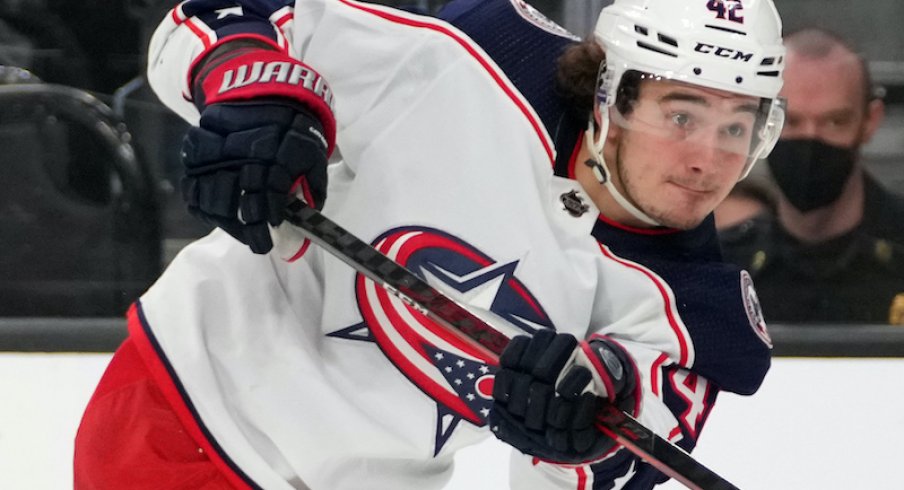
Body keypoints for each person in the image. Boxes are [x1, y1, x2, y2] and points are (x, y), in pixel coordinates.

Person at [74, 0, 783, 488]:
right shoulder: (480, 62)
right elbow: (223, 15)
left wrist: (579, 432)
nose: (708, 160)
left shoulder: (696, 314)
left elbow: (610, 459)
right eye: (681, 114)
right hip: (184, 408)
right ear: (610, 95)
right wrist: (253, 93)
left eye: (737, 126)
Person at [719, 27, 904, 324]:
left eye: (834, 121)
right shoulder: (721, 269)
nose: (810, 139)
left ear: (870, 121)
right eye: (791, 121)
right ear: (761, 122)